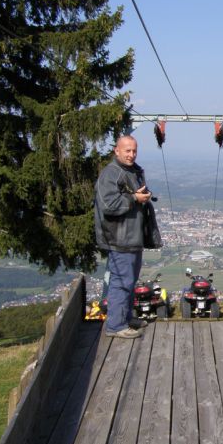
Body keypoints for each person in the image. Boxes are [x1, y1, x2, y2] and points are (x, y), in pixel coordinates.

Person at [94, 135, 153, 339]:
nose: (131, 154)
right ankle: (116, 325)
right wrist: (135, 198)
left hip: (132, 235)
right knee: (121, 280)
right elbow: (109, 205)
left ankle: (125, 318)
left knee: (129, 280)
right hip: (119, 236)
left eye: (134, 150)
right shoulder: (111, 174)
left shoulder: (132, 171)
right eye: (127, 150)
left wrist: (141, 197)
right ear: (116, 151)